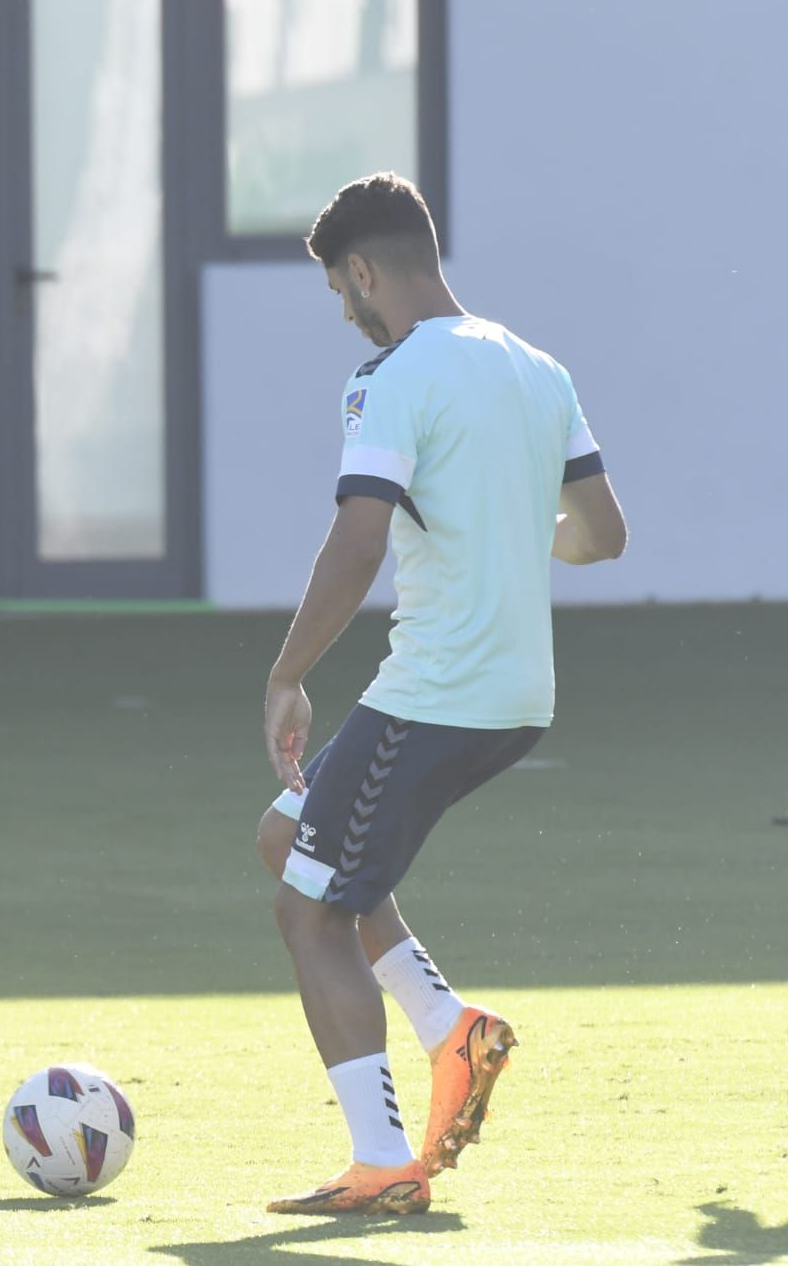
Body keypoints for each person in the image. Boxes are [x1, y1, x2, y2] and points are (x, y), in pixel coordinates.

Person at [256, 173, 628, 1215]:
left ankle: (379, 1163)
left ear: (365, 271)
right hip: (514, 698)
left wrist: (287, 675)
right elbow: (601, 536)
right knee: (289, 841)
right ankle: (448, 1031)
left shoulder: (391, 377)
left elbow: (355, 537)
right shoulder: (536, 367)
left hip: (434, 696)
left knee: (306, 908)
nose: (343, 312)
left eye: (340, 290)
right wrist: (515, 532)